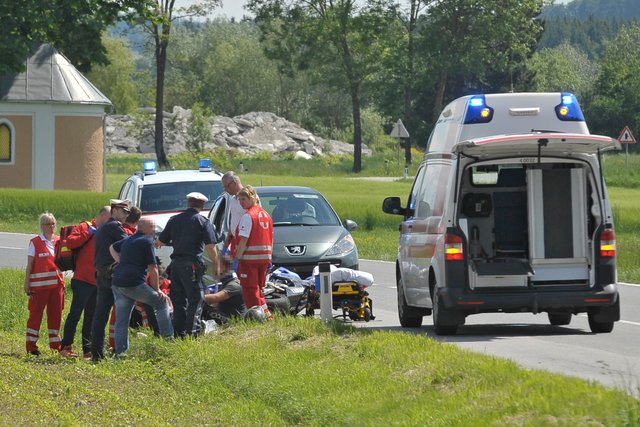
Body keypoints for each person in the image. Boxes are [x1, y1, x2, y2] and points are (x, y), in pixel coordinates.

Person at [155, 192, 219, 337]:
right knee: (196, 298)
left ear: (188, 203)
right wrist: (217, 264)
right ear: (202, 206)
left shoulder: (174, 220)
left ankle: (179, 333)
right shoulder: (203, 222)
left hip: (175, 266)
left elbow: (160, 242)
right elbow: (210, 246)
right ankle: (192, 333)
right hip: (192, 266)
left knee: (178, 301)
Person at [109, 217, 173, 355]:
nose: (154, 230)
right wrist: (157, 290)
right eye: (152, 227)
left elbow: (112, 247)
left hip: (118, 283)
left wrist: (120, 261)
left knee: (122, 320)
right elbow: (153, 267)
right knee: (161, 303)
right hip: (133, 283)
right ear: (142, 227)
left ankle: (121, 354)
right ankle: (168, 343)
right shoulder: (146, 241)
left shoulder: (128, 239)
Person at [59, 206, 111, 358]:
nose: (110, 222)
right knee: (75, 314)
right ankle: (65, 346)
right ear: (101, 216)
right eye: (108, 218)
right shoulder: (86, 226)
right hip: (82, 280)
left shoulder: (108, 231)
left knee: (91, 316)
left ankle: (87, 350)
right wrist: (88, 234)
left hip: (97, 282)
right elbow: (70, 243)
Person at [90, 199, 130, 361]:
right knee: (122, 314)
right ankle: (120, 352)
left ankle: (97, 353)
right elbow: (129, 245)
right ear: (114, 211)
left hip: (102, 275)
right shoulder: (114, 227)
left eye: (127, 212)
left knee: (101, 315)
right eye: (123, 211)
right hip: (112, 276)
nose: (126, 214)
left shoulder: (103, 228)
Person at [23, 212, 65, 355]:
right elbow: (30, 265)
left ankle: (55, 346)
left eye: (53, 223)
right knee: (35, 316)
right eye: (48, 224)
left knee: (56, 316)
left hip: (56, 287)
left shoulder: (59, 240)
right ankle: (31, 347)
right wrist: (26, 283)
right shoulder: (35, 242)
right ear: (42, 226)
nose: (52, 226)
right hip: (39, 288)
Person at [232, 185, 274, 318]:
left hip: (249, 260)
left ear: (252, 198)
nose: (241, 202)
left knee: (250, 291)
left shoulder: (249, 216)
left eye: (243, 199)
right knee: (258, 290)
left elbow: (243, 240)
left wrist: (237, 259)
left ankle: (257, 318)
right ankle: (267, 316)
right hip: (264, 259)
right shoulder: (266, 214)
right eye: (239, 200)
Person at [203, 255, 246, 324]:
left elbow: (215, 298)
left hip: (234, 320)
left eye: (217, 266)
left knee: (205, 308)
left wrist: (195, 297)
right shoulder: (224, 283)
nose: (214, 269)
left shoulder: (234, 284)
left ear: (224, 267)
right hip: (226, 315)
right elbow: (215, 304)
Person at [221, 171, 247, 254]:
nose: (225, 189)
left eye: (226, 186)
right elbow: (233, 224)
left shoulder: (249, 199)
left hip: (246, 245)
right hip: (236, 243)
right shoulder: (233, 200)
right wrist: (226, 245)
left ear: (234, 183)